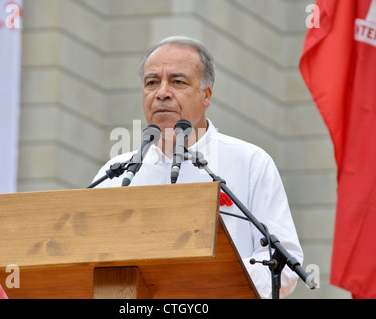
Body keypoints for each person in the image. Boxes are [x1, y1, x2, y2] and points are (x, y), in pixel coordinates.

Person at [91, 36, 304, 299]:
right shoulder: (115, 174)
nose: (162, 92)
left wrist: (208, 284)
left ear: (206, 95)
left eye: (178, 82)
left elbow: (283, 265)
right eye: (152, 82)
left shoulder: (250, 163)